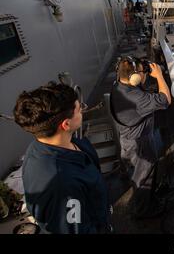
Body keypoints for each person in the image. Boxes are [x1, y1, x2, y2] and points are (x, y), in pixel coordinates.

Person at [13, 82, 111, 234]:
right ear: (66, 124)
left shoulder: (44, 145)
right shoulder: (61, 184)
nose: (82, 112)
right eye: (79, 109)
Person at [110, 56, 171, 218]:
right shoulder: (136, 98)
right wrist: (159, 77)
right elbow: (166, 100)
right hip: (139, 144)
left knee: (137, 173)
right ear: (135, 78)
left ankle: (145, 201)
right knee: (143, 178)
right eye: (143, 73)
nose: (145, 75)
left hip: (129, 139)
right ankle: (142, 211)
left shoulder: (118, 86)